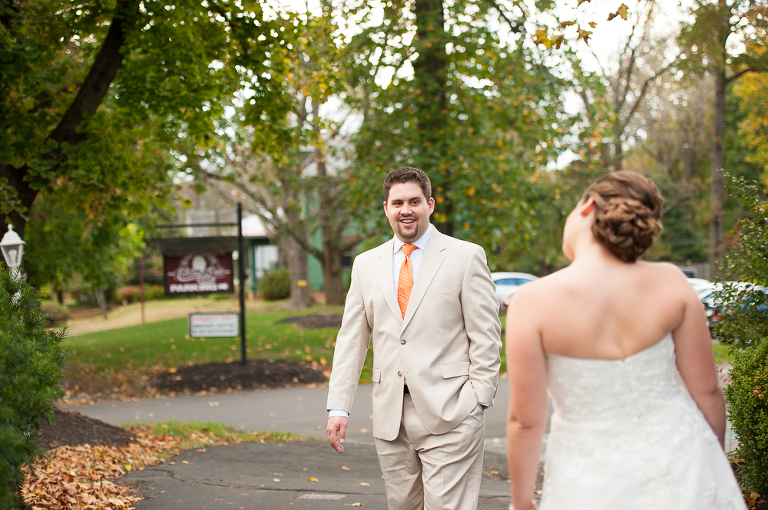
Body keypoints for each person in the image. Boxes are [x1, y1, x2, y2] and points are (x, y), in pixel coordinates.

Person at [505, 170, 746, 510]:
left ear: (587, 206)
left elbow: (525, 422)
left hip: (587, 481)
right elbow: (707, 392)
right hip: (684, 463)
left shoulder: (532, 302)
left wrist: (521, 502)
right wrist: (711, 464)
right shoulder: (671, 282)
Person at [326, 166, 502, 510]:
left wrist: (478, 398)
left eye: (414, 201)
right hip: (390, 418)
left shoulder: (465, 257)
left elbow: (487, 334)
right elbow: (351, 340)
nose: (406, 209)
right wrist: (338, 407)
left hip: (452, 411)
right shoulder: (365, 264)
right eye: (397, 202)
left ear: (430, 204)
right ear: (386, 208)